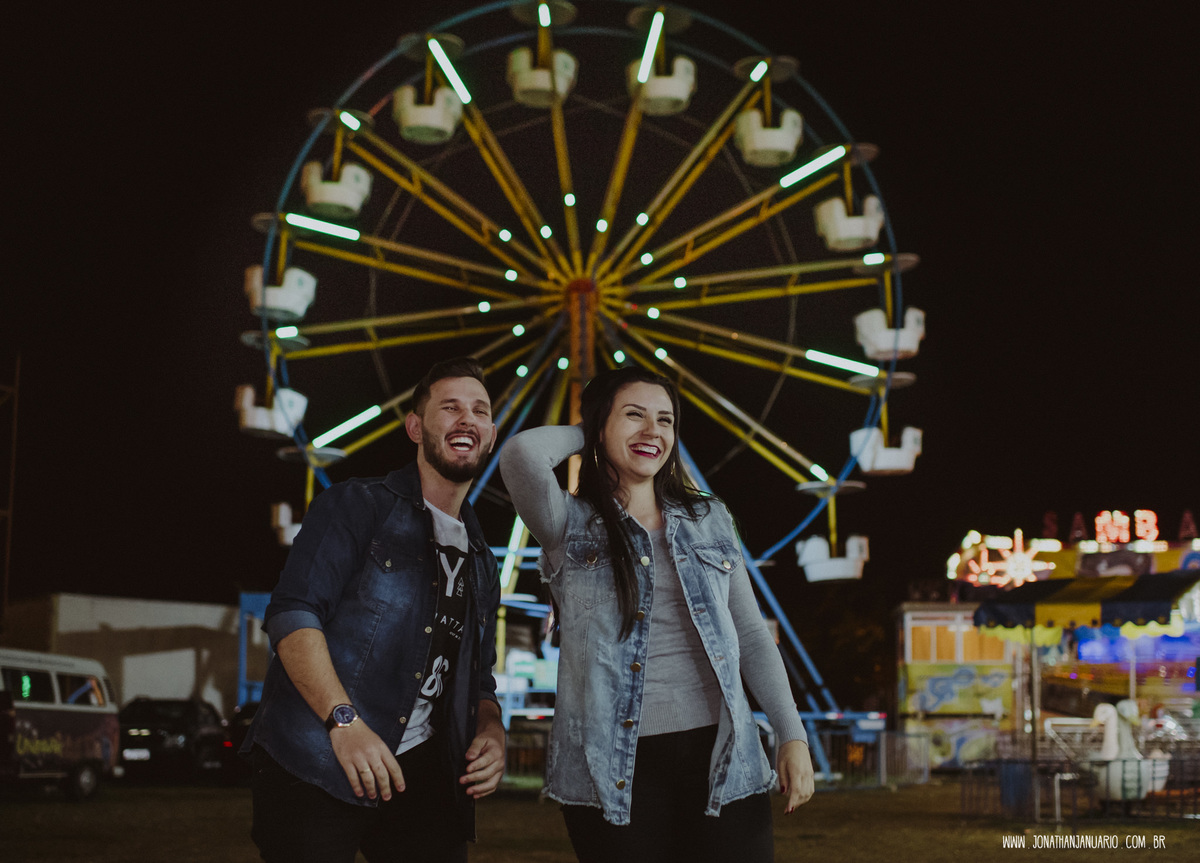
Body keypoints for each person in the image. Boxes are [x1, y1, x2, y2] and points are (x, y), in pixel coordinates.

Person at [499, 365, 814, 863]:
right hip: (613, 768)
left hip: (724, 754)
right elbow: (520, 455)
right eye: (634, 416)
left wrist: (791, 734)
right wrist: (595, 427)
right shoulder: (567, 523)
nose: (654, 432)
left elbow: (751, 635)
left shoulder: (709, 517)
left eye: (665, 420)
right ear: (602, 425)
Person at [243, 357, 507, 863]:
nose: (466, 418)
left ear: (491, 435)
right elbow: (293, 614)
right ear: (415, 427)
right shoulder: (356, 505)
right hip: (316, 759)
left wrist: (492, 730)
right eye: (449, 407)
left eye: (479, 410)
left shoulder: (481, 562)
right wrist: (344, 723)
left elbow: (480, 683)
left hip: (418, 768)